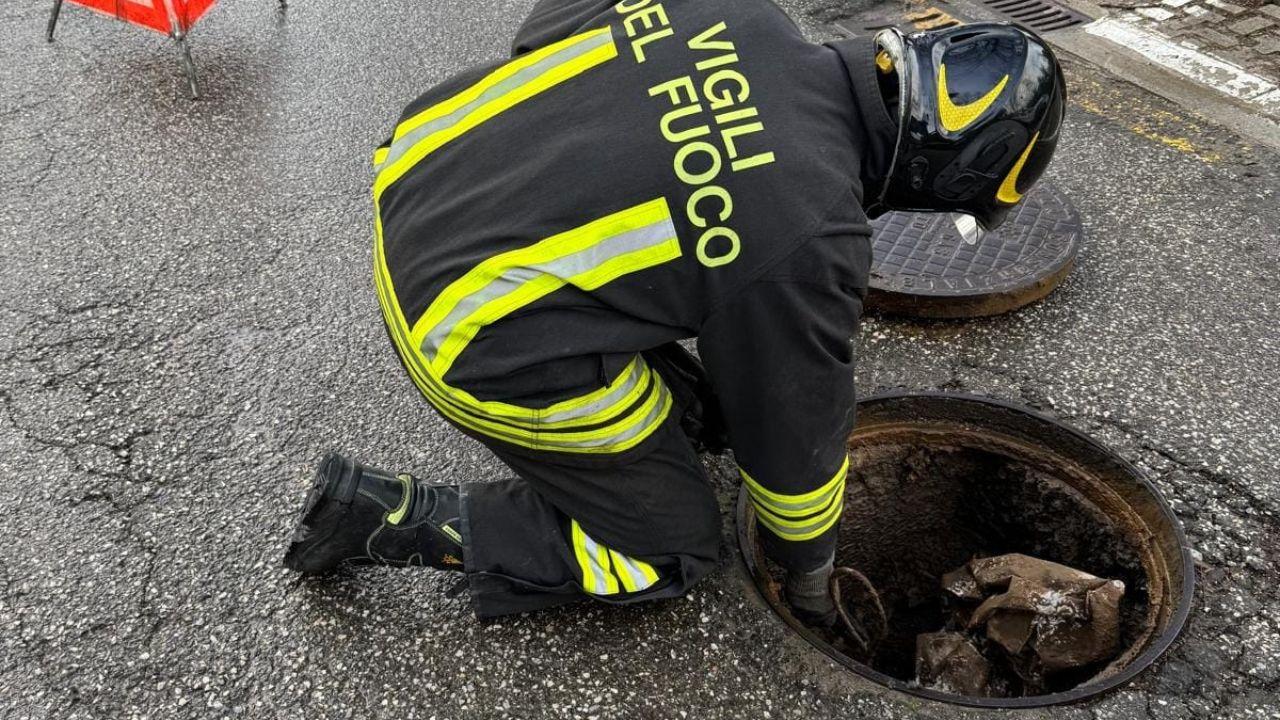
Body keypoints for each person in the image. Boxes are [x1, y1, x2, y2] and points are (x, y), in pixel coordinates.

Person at [283, 0, 1066, 623]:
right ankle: (387, 517)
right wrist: (813, 578)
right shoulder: (808, 230)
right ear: (936, 179)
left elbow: (544, 31)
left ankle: (637, 417)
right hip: (462, 325)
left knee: (697, 331)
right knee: (665, 553)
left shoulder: (741, 12)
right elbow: (792, 438)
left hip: (419, 172)